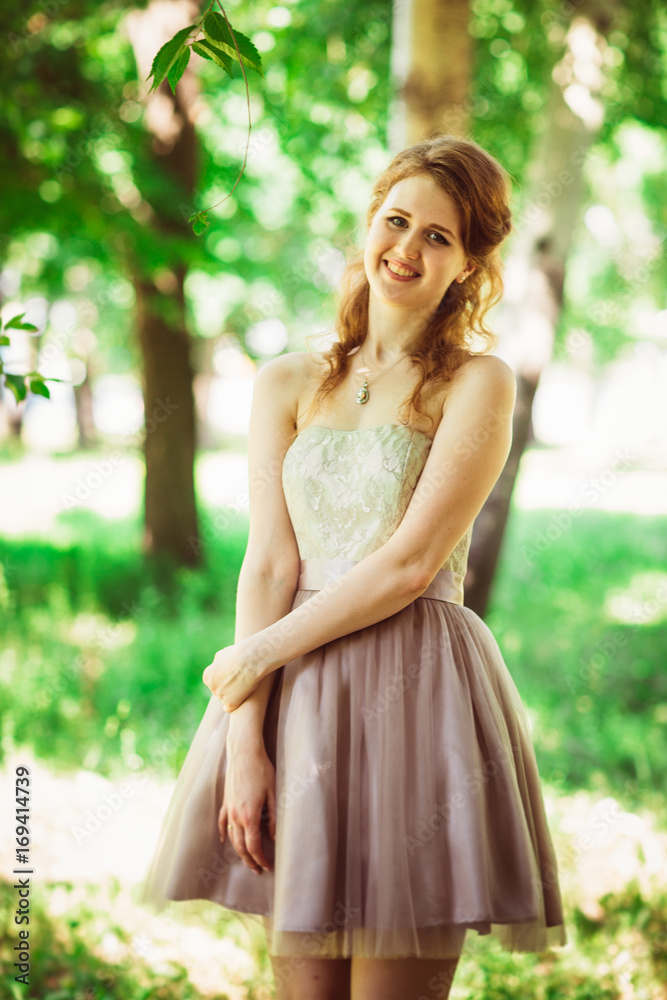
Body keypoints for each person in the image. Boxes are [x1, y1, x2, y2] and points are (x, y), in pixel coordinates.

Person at [138, 134, 566, 1000]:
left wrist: (253, 656)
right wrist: (246, 737)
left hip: (414, 694)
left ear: (470, 263)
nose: (406, 250)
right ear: (367, 225)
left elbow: (409, 564)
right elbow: (266, 563)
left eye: (438, 237)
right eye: (396, 221)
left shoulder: (475, 383)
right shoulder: (285, 382)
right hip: (292, 701)